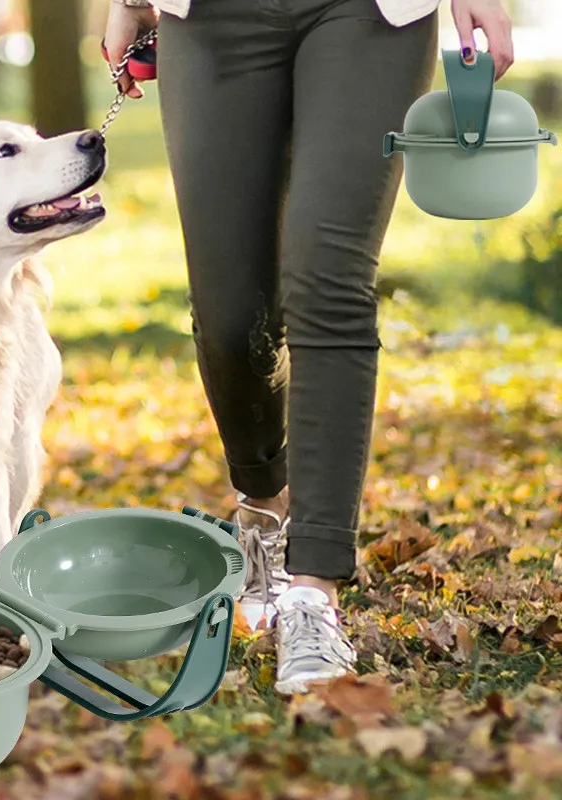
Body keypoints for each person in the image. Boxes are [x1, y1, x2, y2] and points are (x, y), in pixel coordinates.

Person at [104, 0, 514, 695]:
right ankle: (264, 503)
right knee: (231, 316)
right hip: (208, 18)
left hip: (370, 16)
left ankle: (313, 589)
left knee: (329, 276)